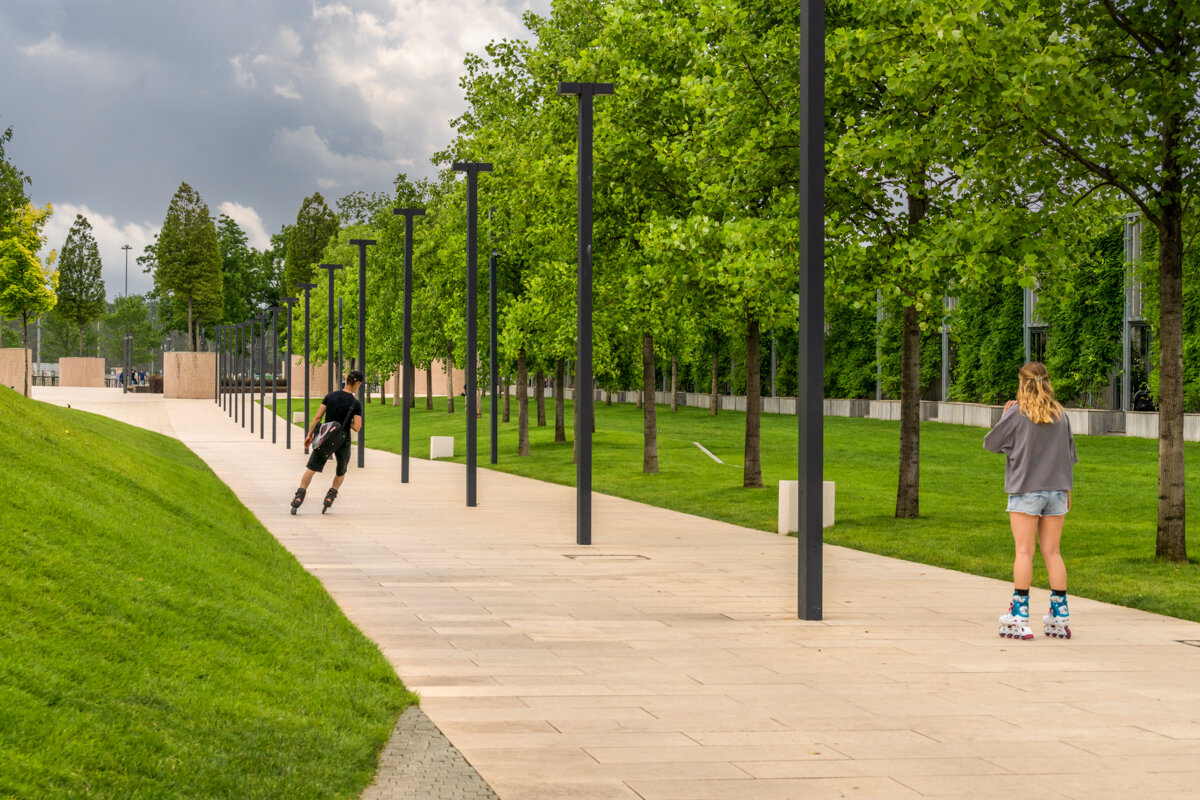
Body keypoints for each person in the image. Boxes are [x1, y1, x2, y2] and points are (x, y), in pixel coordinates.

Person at [983, 362, 1077, 640]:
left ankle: (1019, 613)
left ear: (1023, 383)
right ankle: (1059, 613)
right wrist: (1067, 489)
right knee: (1053, 552)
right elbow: (1069, 455)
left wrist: (1004, 417)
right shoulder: (1060, 414)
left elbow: (991, 444)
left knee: (1024, 551)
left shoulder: (1017, 413)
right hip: (1057, 490)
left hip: (1026, 490)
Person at [291, 370, 364, 515]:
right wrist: (346, 423)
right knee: (341, 470)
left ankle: (299, 496)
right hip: (343, 440)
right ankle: (330, 496)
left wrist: (309, 435)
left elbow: (317, 418)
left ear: (346, 380)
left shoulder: (330, 396)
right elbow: (357, 427)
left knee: (311, 468)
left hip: (326, 438)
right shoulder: (355, 403)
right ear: (357, 383)